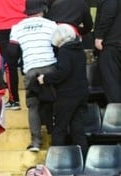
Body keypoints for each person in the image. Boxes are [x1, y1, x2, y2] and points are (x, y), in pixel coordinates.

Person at [9, 0, 58, 152]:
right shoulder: (51, 25)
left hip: (30, 69)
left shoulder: (17, 27)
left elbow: (11, 53)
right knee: (55, 102)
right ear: (43, 10)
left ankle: (36, 142)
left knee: (33, 105)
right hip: (50, 67)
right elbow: (58, 46)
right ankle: (56, 139)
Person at [37, 23, 89, 154]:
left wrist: (45, 78)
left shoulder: (65, 51)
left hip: (67, 95)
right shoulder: (79, 50)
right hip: (82, 93)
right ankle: (83, 158)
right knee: (78, 129)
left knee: (59, 129)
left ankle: (57, 158)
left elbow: (63, 72)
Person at [94, 0, 121, 104]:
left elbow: (108, 15)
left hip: (112, 44)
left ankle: (117, 115)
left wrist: (99, 36)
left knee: (111, 82)